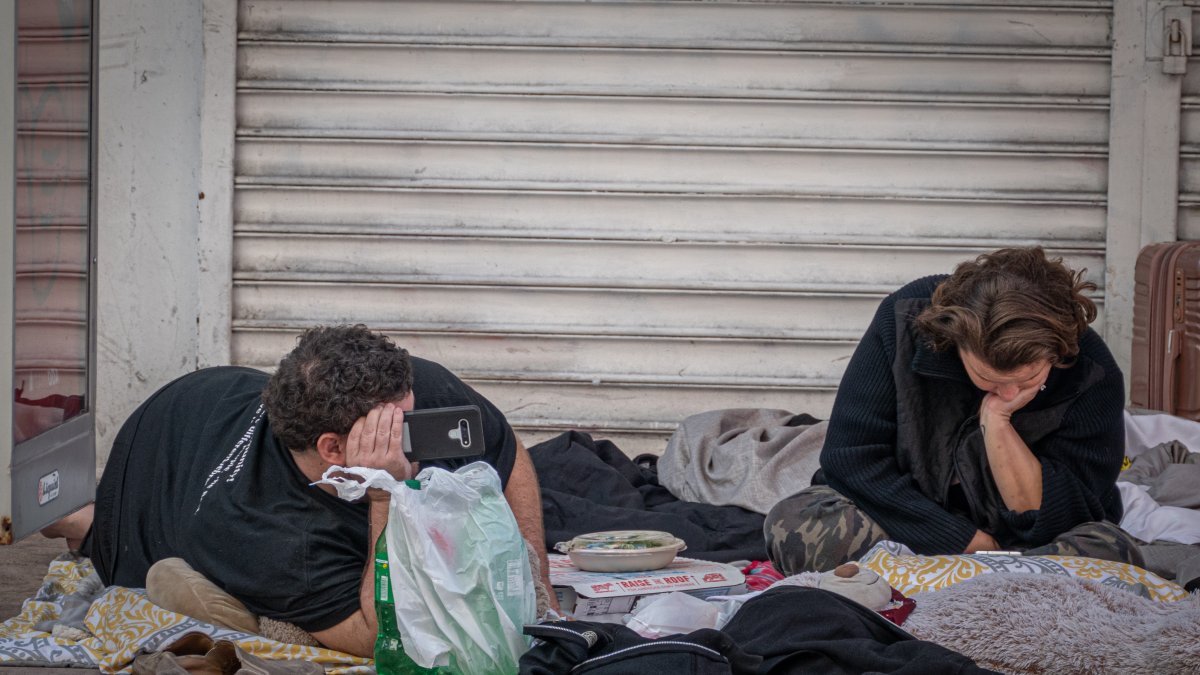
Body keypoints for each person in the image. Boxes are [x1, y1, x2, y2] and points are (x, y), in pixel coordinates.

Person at [42, 324, 553, 657]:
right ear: (334, 449)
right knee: (107, 538)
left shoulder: (407, 392)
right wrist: (383, 496)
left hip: (210, 392)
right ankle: (77, 519)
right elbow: (378, 637)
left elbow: (506, 451)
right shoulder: (272, 537)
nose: (418, 427)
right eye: (399, 427)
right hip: (160, 491)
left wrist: (539, 575)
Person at [765, 247, 1144, 575]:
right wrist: (964, 541)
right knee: (794, 525)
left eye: (1027, 380)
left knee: (1112, 552)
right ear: (954, 342)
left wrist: (997, 421)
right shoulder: (904, 319)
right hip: (909, 522)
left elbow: (1069, 510)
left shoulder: (1093, 371)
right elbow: (850, 460)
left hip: (1026, 540)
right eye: (988, 377)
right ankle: (989, 580)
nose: (1010, 392)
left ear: (1058, 353)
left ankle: (936, 579)